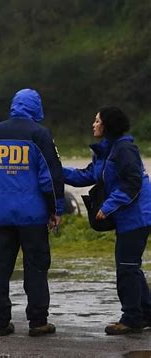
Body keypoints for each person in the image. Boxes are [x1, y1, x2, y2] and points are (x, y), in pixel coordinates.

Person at [0, 88, 64, 337]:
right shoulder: (39, 134)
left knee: (2, 269)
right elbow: (49, 177)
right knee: (36, 268)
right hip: (32, 215)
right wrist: (56, 208)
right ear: (36, 108)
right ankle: (38, 322)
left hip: (1, 213)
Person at [63, 106, 151, 335]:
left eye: (97, 121)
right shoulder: (108, 150)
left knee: (126, 268)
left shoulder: (124, 149)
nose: (93, 124)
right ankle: (146, 314)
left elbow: (133, 182)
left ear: (107, 125)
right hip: (127, 217)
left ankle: (131, 319)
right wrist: (56, 171)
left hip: (138, 217)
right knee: (131, 266)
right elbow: (88, 175)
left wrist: (108, 206)